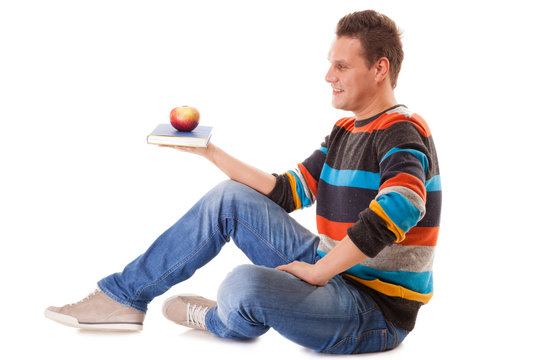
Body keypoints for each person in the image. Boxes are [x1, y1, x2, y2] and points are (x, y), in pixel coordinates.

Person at [45, 10, 441, 354]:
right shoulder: (344, 131)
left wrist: (318, 273)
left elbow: (403, 203)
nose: (328, 76)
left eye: (341, 66)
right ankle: (124, 298)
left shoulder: (401, 130)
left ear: (380, 68)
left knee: (244, 284)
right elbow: (287, 191)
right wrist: (210, 152)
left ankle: (224, 319)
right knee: (229, 198)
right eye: (330, 64)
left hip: (372, 312)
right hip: (334, 270)